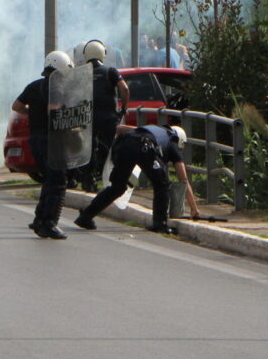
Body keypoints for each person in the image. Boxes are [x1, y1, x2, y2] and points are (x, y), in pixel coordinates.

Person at [75, 124, 200, 234]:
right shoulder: (172, 141)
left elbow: (119, 128)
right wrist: (194, 209)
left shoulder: (152, 129)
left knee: (117, 187)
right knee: (162, 185)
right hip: (144, 147)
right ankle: (160, 224)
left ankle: (86, 216)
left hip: (124, 146)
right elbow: (184, 180)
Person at [12, 51, 74, 239]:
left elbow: (16, 106)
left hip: (36, 139)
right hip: (52, 140)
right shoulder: (57, 87)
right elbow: (53, 111)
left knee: (48, 179)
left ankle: (39, 219)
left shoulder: (34, 86)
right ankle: (49, 223)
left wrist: (32, 112)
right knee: (58, 182)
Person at [80, 39, 130, 192]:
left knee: (88, 148)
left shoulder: (82, 73)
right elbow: (125, 89)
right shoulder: (111, 71)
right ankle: (100, 176)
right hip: (108, 117)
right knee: (107, 148)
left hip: (87, 117)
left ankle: (87, 179)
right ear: (103, 53)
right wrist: (124, 107)